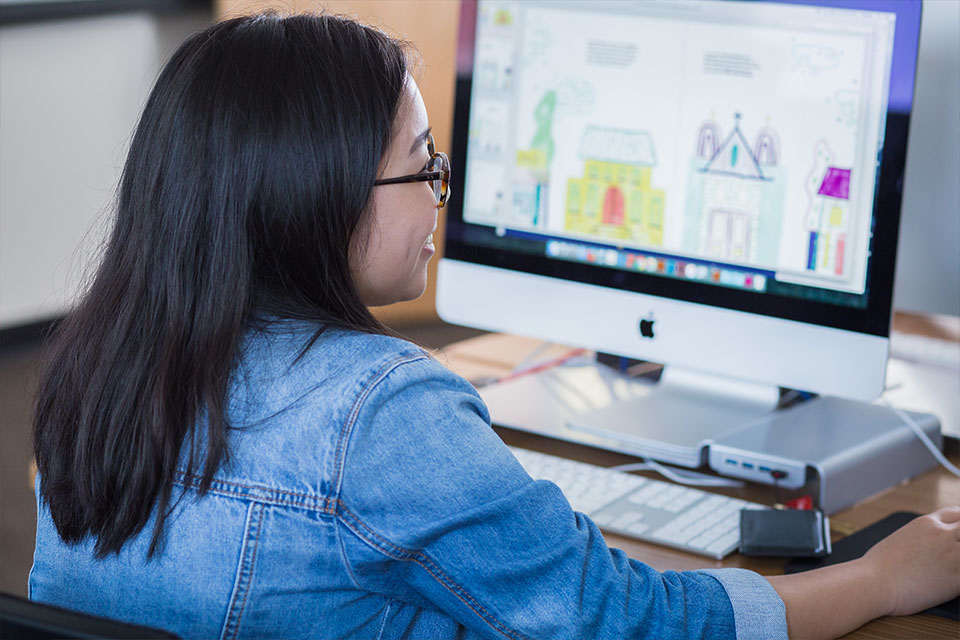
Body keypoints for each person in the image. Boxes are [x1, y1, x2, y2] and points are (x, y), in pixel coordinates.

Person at [29, 12, 959, 640]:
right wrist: (881, 579)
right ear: (314, 195)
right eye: (423, 163)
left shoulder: (96, 372)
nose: (446, 190)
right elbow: (621, 624)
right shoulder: (379, 411)